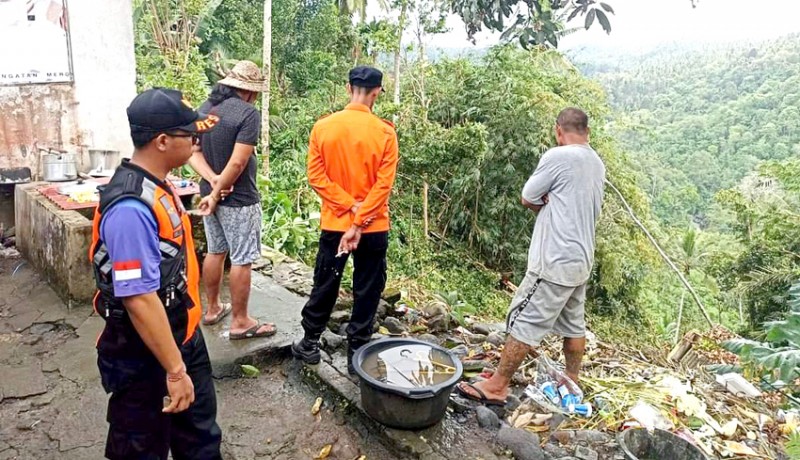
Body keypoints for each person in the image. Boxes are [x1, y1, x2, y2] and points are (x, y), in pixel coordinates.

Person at [89, 88, 222, 459]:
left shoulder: (159, 185)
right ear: (162, 141)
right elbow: (138, 298)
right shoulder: (130, 207)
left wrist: (183, 356)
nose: (196, 143)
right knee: (140, 447)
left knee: (200, 441)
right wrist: (175, 371)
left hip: (181, 337)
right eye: (190, 136)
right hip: (144, 354)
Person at [456, 108, 606, 405]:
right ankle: (571, 382)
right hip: (581, 259)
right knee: (575, 324)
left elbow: (528, 196)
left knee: (525, 320)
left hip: (554, 260)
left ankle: (498, 385)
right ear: (587, 131)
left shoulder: (558, 156)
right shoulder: (597, 163)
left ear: (558, 131)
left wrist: (545, 204)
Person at [289, 66, 399, 374]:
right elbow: (383, 185)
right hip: (374, 226)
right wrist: (361, 215)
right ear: (376, 93)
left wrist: (349, 209)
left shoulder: (323, 127)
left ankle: (310, 342)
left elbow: (316, 177)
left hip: (336, 225)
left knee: (326, 281)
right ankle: (357, 356)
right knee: (368, 287)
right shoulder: (385, 132)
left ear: (348, 87)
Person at [191, 60, 276, 340]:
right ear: (250, 92)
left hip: (209, 195)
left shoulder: (205, 109)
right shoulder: (247, 114)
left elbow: (193, 153)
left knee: (215, 251)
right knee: (242, 258)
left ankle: (213, 308)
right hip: (238, 198)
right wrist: (219, 189)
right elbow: (238, 163)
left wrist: (212, 182)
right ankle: (241, 321)